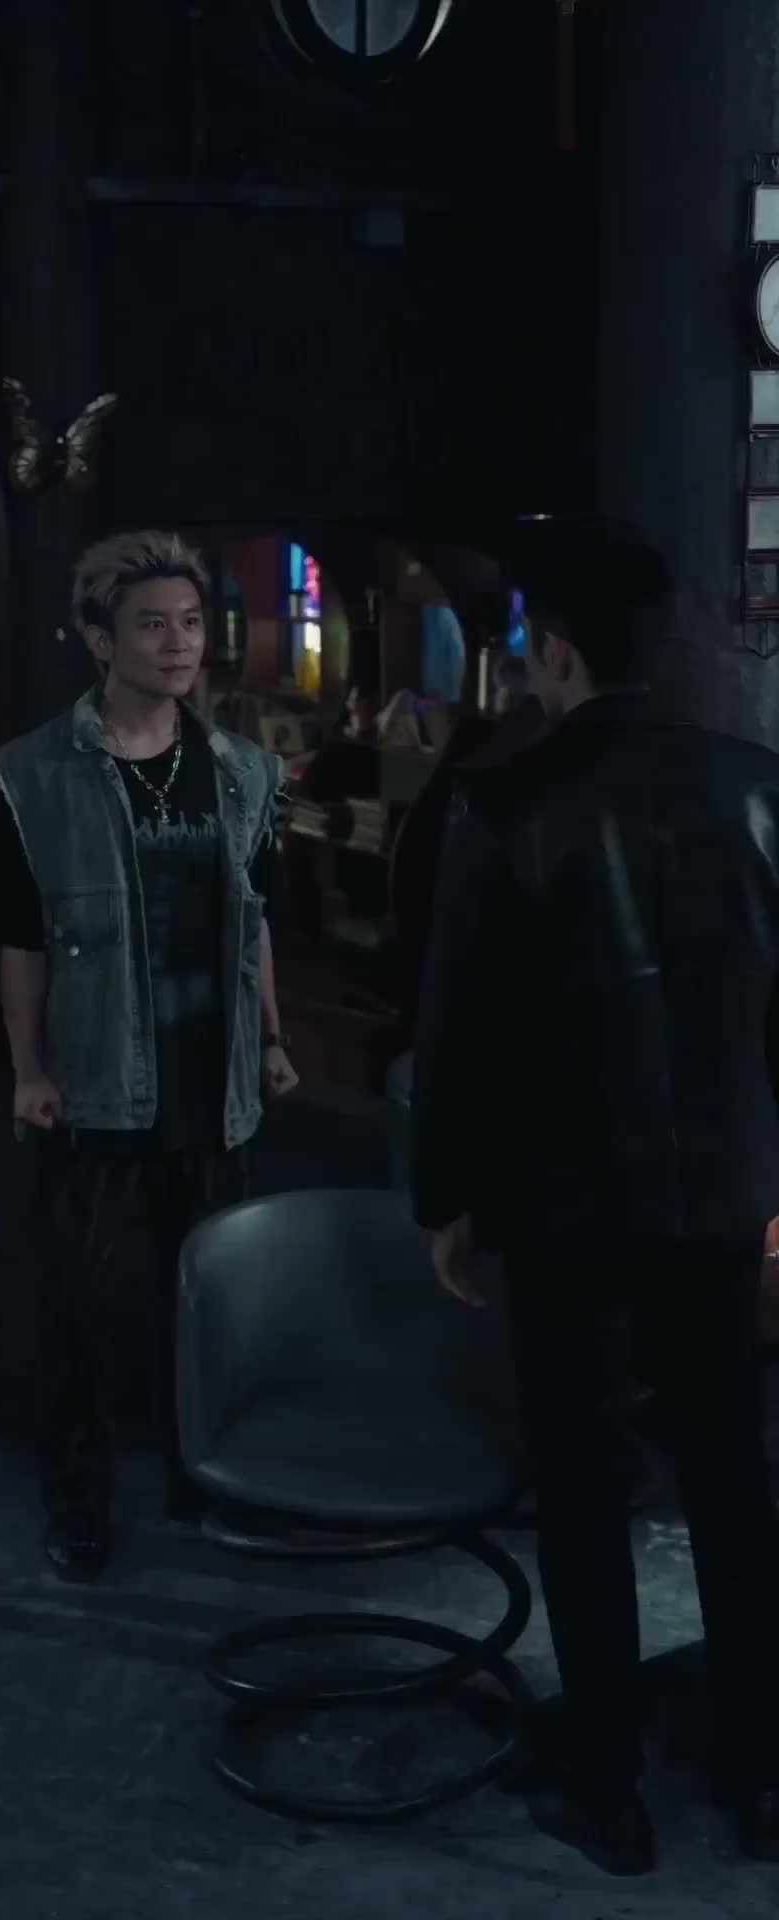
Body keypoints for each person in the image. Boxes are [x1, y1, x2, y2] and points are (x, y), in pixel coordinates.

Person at [410, 524, 779, 1875]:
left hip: (566, 1208)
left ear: (556, 652)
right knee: (733, 1477)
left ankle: (605, 1783)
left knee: (581, 1487)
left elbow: (458, 1031)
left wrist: (445, 1198)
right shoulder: (762, 787)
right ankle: (763, 1778)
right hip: (726, 1196)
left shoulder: (507, 804)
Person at [0, 530, 299, 1580]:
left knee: (208, 1294)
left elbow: (254, 923)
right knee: (77, 1302)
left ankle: (201, 1474)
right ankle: (78, 1500)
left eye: (193, 623)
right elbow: (21, 938)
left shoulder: (244, 771)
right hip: (94, 1076)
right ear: (98, 638)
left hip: (212, 1075)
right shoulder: (34, 774)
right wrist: (29, 1068)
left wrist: (272, 1038)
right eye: (153, 624)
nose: (179, 644)